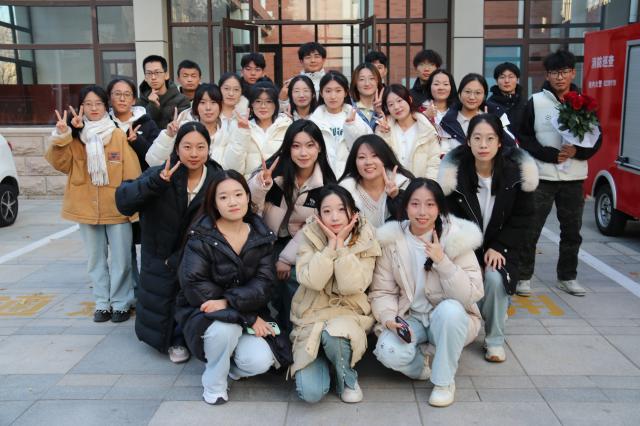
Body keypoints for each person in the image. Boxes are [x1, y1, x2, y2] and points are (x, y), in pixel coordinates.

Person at [370, 178, 484, 407]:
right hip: (411, 317)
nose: (422, 212)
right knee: (386, 350)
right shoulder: (393, 240)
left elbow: (471, 295)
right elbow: (382, 291)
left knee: (451, 311)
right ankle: (422, 365)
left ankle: (443, 382)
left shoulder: (455, 238)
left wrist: (443, 262)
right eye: (415, 204)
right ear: (405, 207)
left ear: (439, 208)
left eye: (430, 204)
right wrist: (389, 318)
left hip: (447, 318)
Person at [116, 122, 222, 363]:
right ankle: (173, 340)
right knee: (163, 299)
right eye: (187, 146)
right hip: (160, 254)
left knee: (193, 298)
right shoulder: (161, 173)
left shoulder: (216, 178)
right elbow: (124, 202)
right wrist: (155, 183)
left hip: (197, 255)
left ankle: (190, 337)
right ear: (177, 148)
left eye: (200, 147)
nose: (194, 153)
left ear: (209, 148)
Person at [438, 114, 538, 362]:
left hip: (502, 246)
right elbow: (450, 219)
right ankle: (466, 324)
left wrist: (500, 247)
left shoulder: (515, 174)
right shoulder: (455, 176)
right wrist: (469, 252)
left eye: (490, 138)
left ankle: (494, 340)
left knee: (494, 278)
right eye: (477, 138)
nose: (483, 145)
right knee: (462, 280)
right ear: (468, 141)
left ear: (500, 142)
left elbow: (524, 217)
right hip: (465, 247)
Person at [176, 170, 277, 405]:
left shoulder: (261, 235)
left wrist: (228, 302)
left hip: (246, 311)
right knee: (225, 330)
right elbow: (195, 287)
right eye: (223, 197)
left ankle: (229, 367)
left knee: (260, 361)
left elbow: (264, 284)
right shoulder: (201, 237)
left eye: (238, 194)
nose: (232, 202)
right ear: (214, 202)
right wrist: (246, 316)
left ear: (247, 197)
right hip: (204, 316)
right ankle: (214, 383)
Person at [46, 85, 140, 323]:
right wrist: (63, 135)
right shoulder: (75, 137)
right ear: (81, 107)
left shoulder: (117, 135)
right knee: (95, 260)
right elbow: (59, 164)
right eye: (88, 104)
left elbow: (132, 174)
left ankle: (121, 303)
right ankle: (102, 302)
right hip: (85, 207)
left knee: (122, 260)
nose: (94, 108)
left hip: (116, 209)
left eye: (98, 103)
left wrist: (133, 208)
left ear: (106, 106)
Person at [517, 49, 602, 297]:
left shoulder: (586, 102)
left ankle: (567, 277)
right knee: (531, 228)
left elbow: (597, 139)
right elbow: (524, 136)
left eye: (564, 71)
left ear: (573, 72)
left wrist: (578, 151)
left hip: (574, 178)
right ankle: (523, 276)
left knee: (572, 231)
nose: (560, 77)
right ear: (547, 75)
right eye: (554, 72)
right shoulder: (535, 101)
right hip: (543, 176)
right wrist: (548, 155)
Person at [292, 184, 381, 403]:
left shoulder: (366, 237)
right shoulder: (309, 234)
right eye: (327, 211)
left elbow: (353, 285)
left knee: (335, 333)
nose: (335, 217)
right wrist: (330, 246)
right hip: (312, 314)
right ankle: (324, 358)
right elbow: (312, 281)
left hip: (348, 313)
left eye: (341, 209)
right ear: (318, 215)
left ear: (353, 212)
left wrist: (341, 246)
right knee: (310, 393)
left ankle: (346, 378)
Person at [248, 119, 337, 332]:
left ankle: (292, 332)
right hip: (264, 240)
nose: (303, 153)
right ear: (288, 148)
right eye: (296, 146)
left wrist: (286, 259)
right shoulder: (272, 172)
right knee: (260, 280)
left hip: (302, 245)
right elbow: (250, 208)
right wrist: (261, 185)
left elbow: (314, 227)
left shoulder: (326, 184)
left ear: (319, 148)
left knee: (293, 281)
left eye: (310, 145)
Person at [339, 134, 414, 228]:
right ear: (354, 161)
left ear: (385, 158)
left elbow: (412, 225)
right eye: (362, 157)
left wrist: (396, 197)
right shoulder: (345, 191)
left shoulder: (403, 184)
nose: (368, 162)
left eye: (374, 156)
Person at [146, 84, 227, 167]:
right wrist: (168, 137)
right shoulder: (181, 129)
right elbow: (153, 162)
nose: (208, 108)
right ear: (196, 106)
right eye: (202, 102)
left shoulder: (228, 132)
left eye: (213, 102)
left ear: (221, 105)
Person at [310, 70, 370, 178]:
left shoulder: (355, 118)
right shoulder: (314, 121)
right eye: (328, 91)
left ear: (346, 92)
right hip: (322, 177)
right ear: (321, 93)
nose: (333, 96)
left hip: (351, 177)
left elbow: (365, 147)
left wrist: (352, 126)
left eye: (338, 91)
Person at [225, 82, 292, 177]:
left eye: (268, 101)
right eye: (258, 101)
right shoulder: (239, 126)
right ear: (251, 104)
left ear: (276, 104)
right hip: (249, 183)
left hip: (280, 183)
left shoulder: (286, 126)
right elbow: (233, 169)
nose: (263, 106)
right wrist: (242, 132)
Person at [376, 84, 441, 179]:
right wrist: (384, 135)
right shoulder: (383, 130)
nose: (396, 107)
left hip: (421, 186)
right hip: (392, 186)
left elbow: (434, 164)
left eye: (399, 101)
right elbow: (380, 162)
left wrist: (426, 186)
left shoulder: (426, 129)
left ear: (409, 100)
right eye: (391, 104)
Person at [107, 77, 160, 171]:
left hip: (141, 178)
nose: (122, 99)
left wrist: (137, 141)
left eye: (127, 94)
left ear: (134, 100)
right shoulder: (104, 124)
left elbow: (157, 158)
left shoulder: (147, 123)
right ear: (109, 99)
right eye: (117, 94)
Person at [137, 55, 190, 129]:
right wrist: (152, 106)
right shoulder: (139, 103)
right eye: (149, 73)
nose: (153, 77)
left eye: (157, 72)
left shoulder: (182, 100)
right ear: (145, 77)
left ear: (166, 75)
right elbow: (144, 129)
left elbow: (182, 128)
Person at [440, 73, 489, 154]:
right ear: (459, 94)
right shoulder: (446, 122)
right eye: (467, 92)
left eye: (478, 93)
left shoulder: (492, 120)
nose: (472, 97)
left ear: (484, 96)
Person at [486, 62, 527, 142]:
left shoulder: (525, 103)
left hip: (523, 147)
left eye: (511, 77)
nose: (507, 81)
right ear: (496, 80)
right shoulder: (490, 104)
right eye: (502, 77)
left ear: (517, 79)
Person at [350, 62, 384, 131]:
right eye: (362, 79)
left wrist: (380, 114)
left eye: (371, 78)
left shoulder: (387, 106)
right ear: (355, 83)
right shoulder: (348, 107)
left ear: (377, 81)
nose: (367, 83)